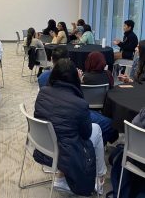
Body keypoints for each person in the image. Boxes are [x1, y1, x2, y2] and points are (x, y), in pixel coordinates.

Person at [34, 59, 106, 195]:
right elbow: (86, 134)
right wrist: (78, 86)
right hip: (65, 152)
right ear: (74, 77)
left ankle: (61, 178)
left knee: (65, 130)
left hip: (44, 146)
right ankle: (100, 176)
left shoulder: (42, 92)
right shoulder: (80, 103)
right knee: (96, 129)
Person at [82, 52, 119, 144]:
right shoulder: (108, 75)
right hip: (104, 107)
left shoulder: (84, 77)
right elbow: (111, 89)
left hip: (86, 109)